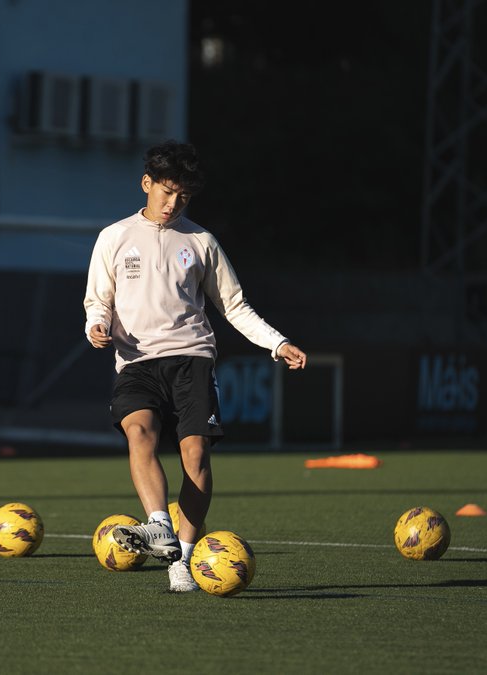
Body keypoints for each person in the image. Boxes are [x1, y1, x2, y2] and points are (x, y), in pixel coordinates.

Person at [82, 140, 307, 592]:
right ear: (146, 184)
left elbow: (234, 305)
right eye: (166, 191)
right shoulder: (113, 237)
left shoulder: (201, 241)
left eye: (182, 196)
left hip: (192, 360)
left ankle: (182, 561)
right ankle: (159, 525)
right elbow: (97, 300)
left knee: (196, 456)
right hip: (137, 362)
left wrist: (276, 342)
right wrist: (96, 324)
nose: (172, 203)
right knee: (139, 432)